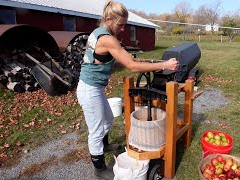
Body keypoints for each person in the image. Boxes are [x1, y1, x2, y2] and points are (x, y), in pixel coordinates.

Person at [76, 1, 178, 179]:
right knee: (96, 130)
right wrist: (164, 65)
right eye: (120, 24)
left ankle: (104, 146)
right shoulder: (108, 38)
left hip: (95, 88)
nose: (123, 29)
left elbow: (103, 60)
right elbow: (132, 67)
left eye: (124, 24)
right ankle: (99, 168)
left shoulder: (100, 32)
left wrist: (121, 57)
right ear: (109, 19)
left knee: (107, 118)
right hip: (89, 89)